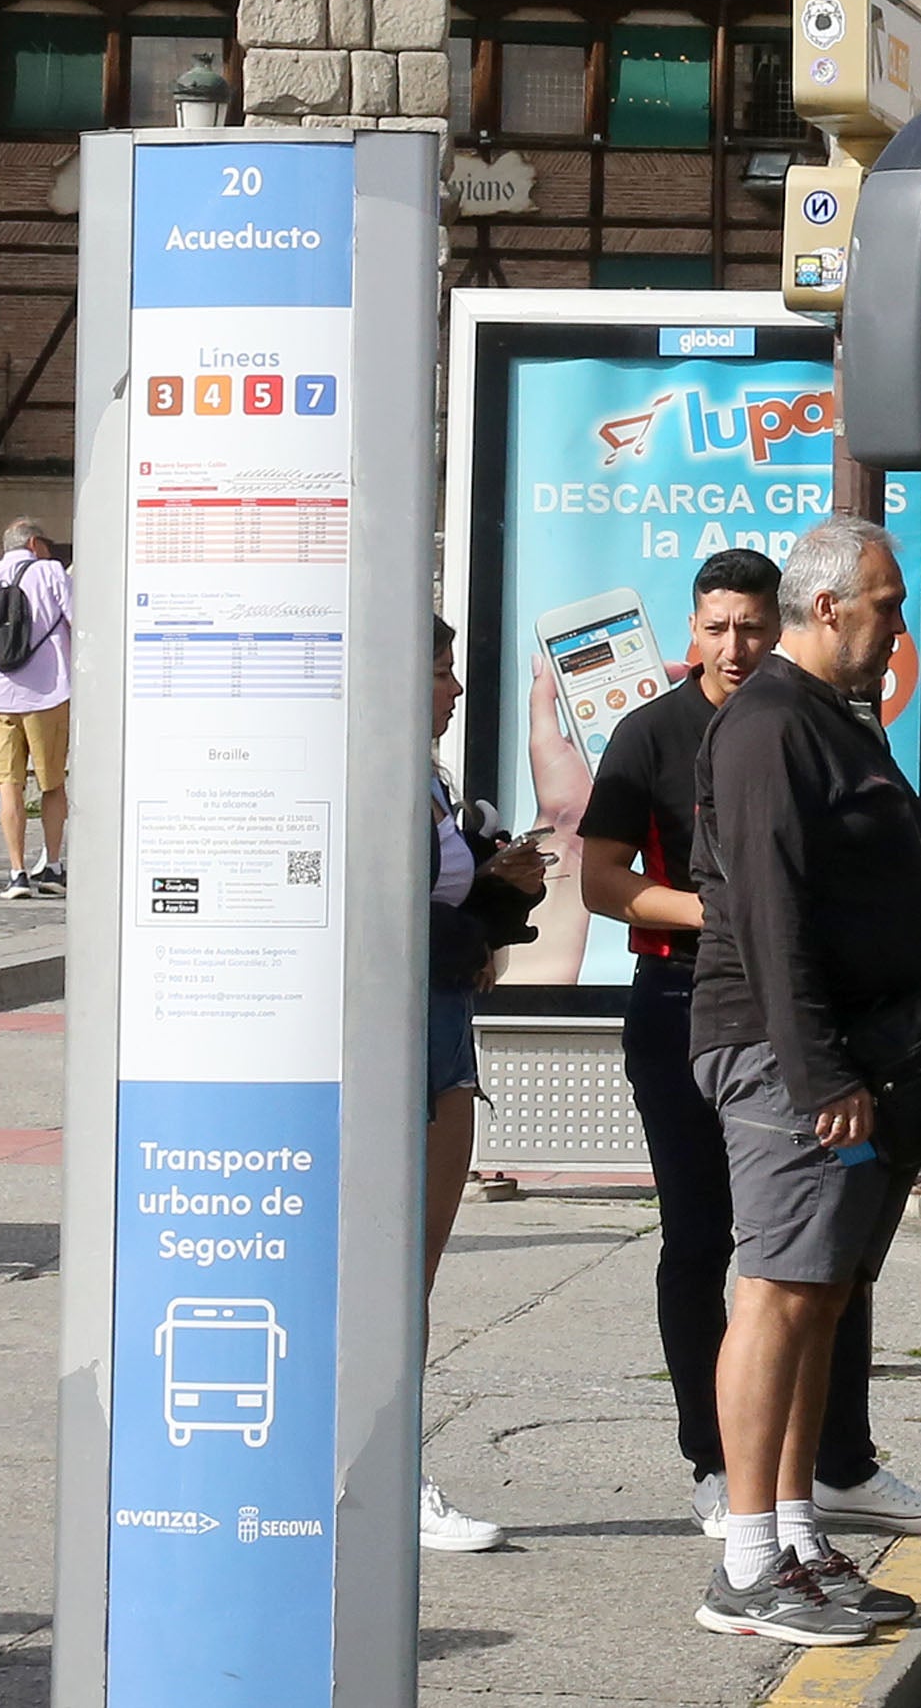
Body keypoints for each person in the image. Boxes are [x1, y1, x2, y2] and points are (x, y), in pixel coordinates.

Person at [579, 548, 921, 1542]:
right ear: (694, 629)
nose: (735, 645)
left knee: (818, 1273)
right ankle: (733, 1491)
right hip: (716, 1011)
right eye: (718, 628)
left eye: (750, 626)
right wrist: (728, 920)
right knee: (731, 1253)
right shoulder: (695, 732)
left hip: (814, 1024)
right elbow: (621, 882)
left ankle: (824, 1479)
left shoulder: (827, 713)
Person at [688, 518, 921, 1643]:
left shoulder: (827, 719)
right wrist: (816, 1075)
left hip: (856, 1053)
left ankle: (794, 1536)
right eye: (886, 604)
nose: (898, 626)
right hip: (790, 1054)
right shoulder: (767, 731)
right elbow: (766, 911)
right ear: (831, 605)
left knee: (823, 1293)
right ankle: (747, 1561)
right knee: (779, 1288)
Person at [426, 615, 548, 1552]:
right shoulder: (371, 769)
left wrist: (501, 890)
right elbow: (380, 921)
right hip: (402, 1027)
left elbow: (445, 903)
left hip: (441, 1026)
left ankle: (388, 1463)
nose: (457, 689)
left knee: (412, 1276)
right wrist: (477, 927)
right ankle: (381, 1471)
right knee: (389, 1273)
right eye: (443, 671)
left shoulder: (427, 775)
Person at [0, 518, 71, 898]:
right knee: (52, 784)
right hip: (47, 694)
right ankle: (52, 867)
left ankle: (17, 873)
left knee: (9, 786)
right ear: (35, 543)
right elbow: (79, 622)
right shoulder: (50, 572)